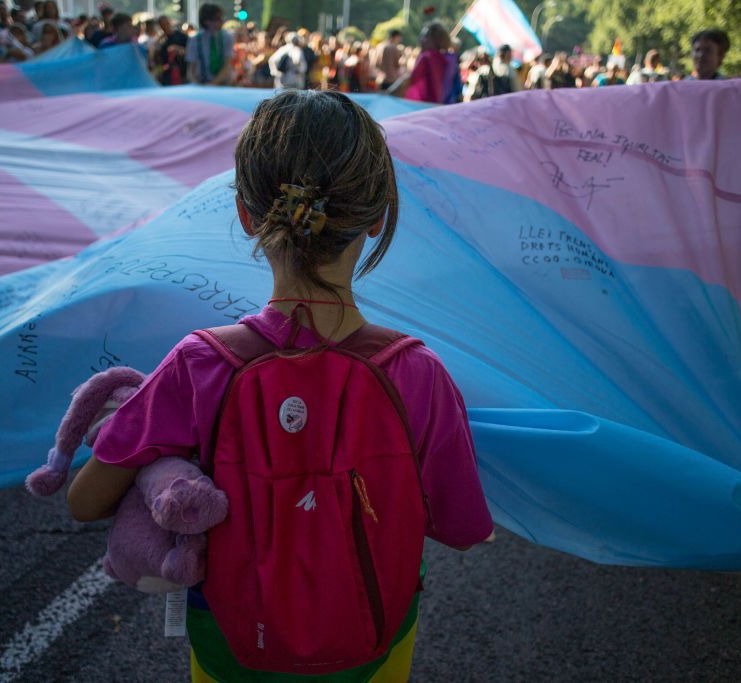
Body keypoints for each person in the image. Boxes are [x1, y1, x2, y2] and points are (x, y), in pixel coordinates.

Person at [67, 89, 493, 682]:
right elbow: (464, 528)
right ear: (376, 217)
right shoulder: (418, 375)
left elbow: (84, 500)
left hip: (232, 650)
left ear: (246, 212)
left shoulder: (198, 365)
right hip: (370, 652)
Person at [405, 21, 452, 103]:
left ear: (435, 40)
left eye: (425, 36)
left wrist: (386, 94)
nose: (420, 40)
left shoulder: (426, 57)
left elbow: (408, 81)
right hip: (436, 107)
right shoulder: (444, 60)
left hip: (420, 107)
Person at [186, 2, 233, 85]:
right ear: (206, 21)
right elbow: (190, 70)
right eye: (218, 18)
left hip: (223, 84)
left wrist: (213, 84)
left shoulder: (227, 37)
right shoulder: (195, 40)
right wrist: (196, 84)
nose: (222, 21)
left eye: (221, 17)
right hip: (201, 83)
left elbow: (227, 65)